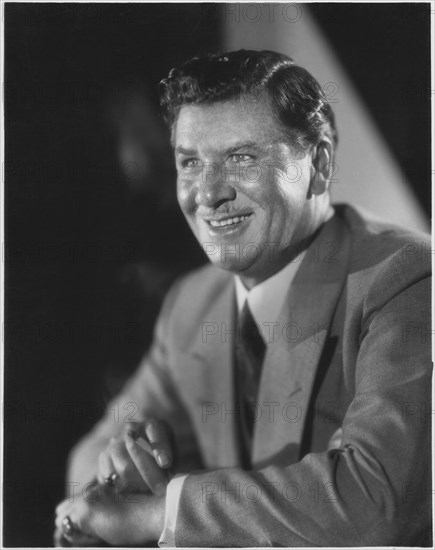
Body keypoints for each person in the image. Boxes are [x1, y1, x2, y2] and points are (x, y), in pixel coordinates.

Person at [54, 50, 431, 547]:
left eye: (241, 157)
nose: (207, 194)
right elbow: (88, 457)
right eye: (190, 162)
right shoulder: (192, 305)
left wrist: (159, 514)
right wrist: (125, 464)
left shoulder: (405, 279)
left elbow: (373, 503)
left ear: (319, 164)